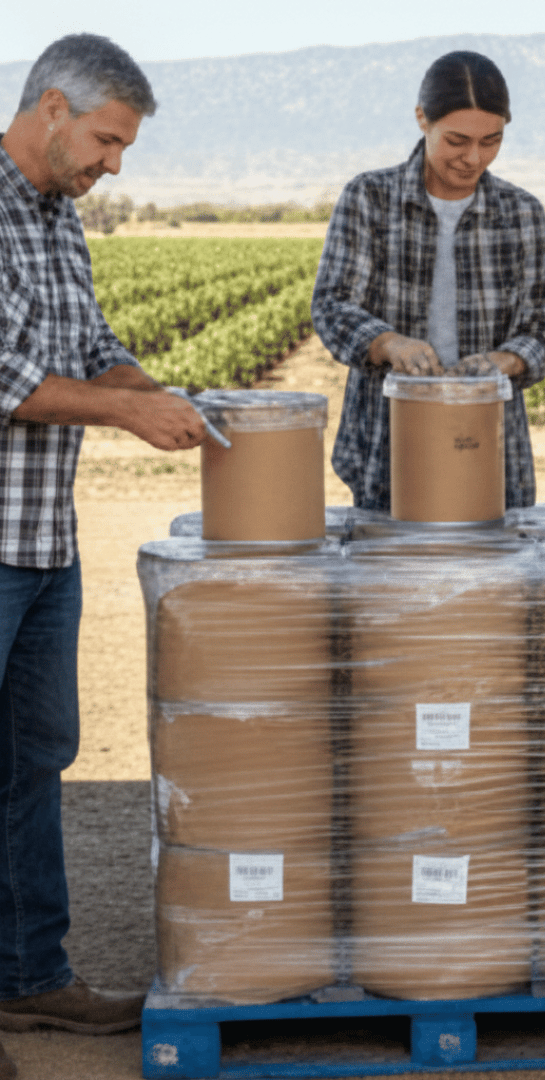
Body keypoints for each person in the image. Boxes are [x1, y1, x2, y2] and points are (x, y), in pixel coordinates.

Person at [0, 35, 206, 1080]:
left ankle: (31, 974)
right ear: (50, 108)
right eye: (107, 140)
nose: (114, 163)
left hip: (39, 543)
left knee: (35, 760)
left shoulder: (58, 224)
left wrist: (163, 393)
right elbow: (12, 382)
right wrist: (129, 415)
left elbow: (88, 350)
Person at [311, 50, 545, 511]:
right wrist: (389, 344)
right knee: (394, 578)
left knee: (487, 580)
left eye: (491, 141)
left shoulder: (522, 213)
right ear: (421, 119)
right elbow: (331, 305)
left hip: (489, 444)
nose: (473, 158)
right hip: (385, 444)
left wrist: (504, 361)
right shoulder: (369, 199)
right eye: (457, 140)